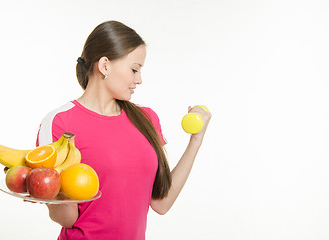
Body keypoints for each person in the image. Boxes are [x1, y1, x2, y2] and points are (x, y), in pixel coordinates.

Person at [36, 20, 211, 240]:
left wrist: (196, 139)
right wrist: (47, 191)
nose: (139, 80)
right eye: (134, 69)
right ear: (105, 65)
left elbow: (162, 203)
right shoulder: (59, 122)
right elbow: (67, 218)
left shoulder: (146, 119)